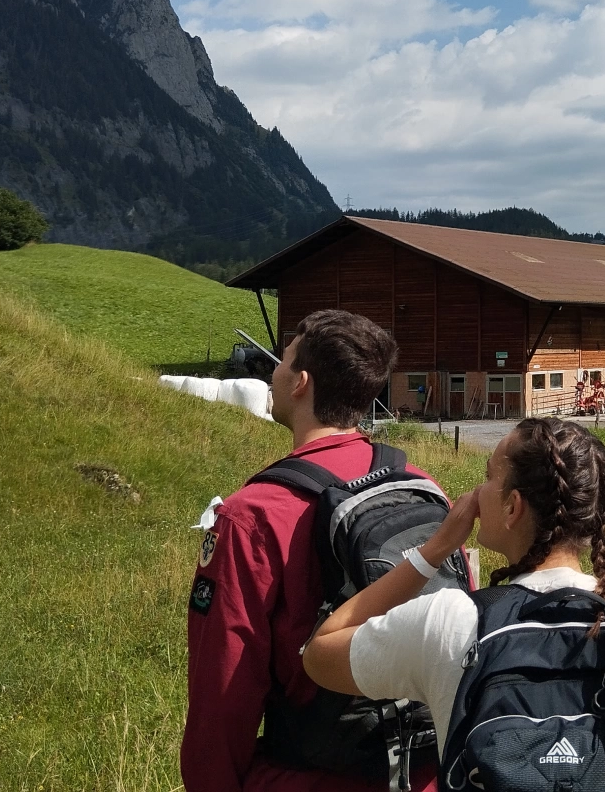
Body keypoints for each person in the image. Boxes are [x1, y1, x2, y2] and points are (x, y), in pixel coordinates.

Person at [300, 417, 605, 792]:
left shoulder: (452, 622)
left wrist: (436, 547)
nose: (478, 492)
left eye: (487, 478)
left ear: (512, 507)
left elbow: (320, 654)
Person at [182, 308, 435, 792]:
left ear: (300, 383)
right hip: (425, 772)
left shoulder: (252, 514)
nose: (272, 372)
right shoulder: (421, 486)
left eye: (282, 362)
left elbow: (224, 692)